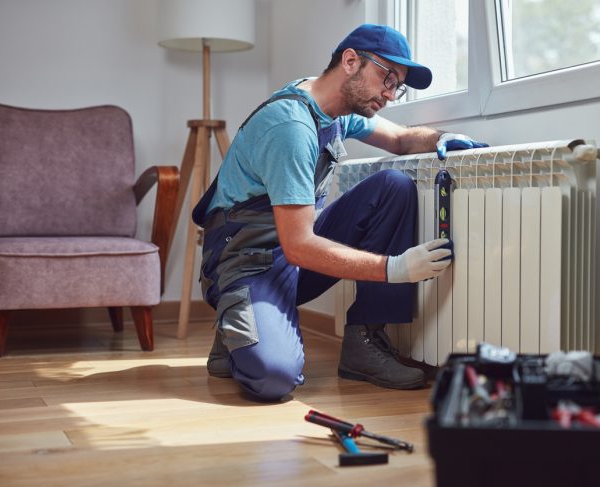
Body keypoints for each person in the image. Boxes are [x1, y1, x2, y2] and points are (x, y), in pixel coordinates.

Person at [191, 23, 486, 402]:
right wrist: (394, 268)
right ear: (350, 61)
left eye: (398, 85)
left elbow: (398, 139)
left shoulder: (334, 110)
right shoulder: (290, 127)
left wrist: (439, 139)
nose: (390, 94)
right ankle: (237, 327)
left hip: (289, 254)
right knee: (273, 379)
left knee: (392, 186)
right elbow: (299, 246)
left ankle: (364, 343)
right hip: (247, 262)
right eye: (387, 78)